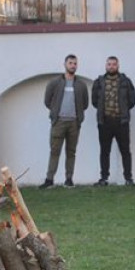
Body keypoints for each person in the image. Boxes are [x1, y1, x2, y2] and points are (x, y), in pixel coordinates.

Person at [41, 54, 89, 188]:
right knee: (54, 151)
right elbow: (47, 101)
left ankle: (69, 179)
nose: (73, 65)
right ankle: (49, 180)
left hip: (74, 123)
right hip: (59, 122)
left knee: (71, 152)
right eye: (70, 63)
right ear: (65, 64)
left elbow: (85, 103)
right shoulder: (55, 82)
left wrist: (78, 116)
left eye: (75, 63)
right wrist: (56, 111)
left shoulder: (81, 85)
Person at [91, 56, 135, 185]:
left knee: (125, 151)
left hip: (121, 122)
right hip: (105, 121)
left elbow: (132, 100)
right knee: (105, 151)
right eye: (109, 64)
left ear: (118, 66)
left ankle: (128, 178)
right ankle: (104, 178)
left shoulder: (125, 81)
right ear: (106, 66)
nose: (112, 66)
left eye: (114, 64)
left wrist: (123, 111)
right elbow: (95, 101)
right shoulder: (99, 82)